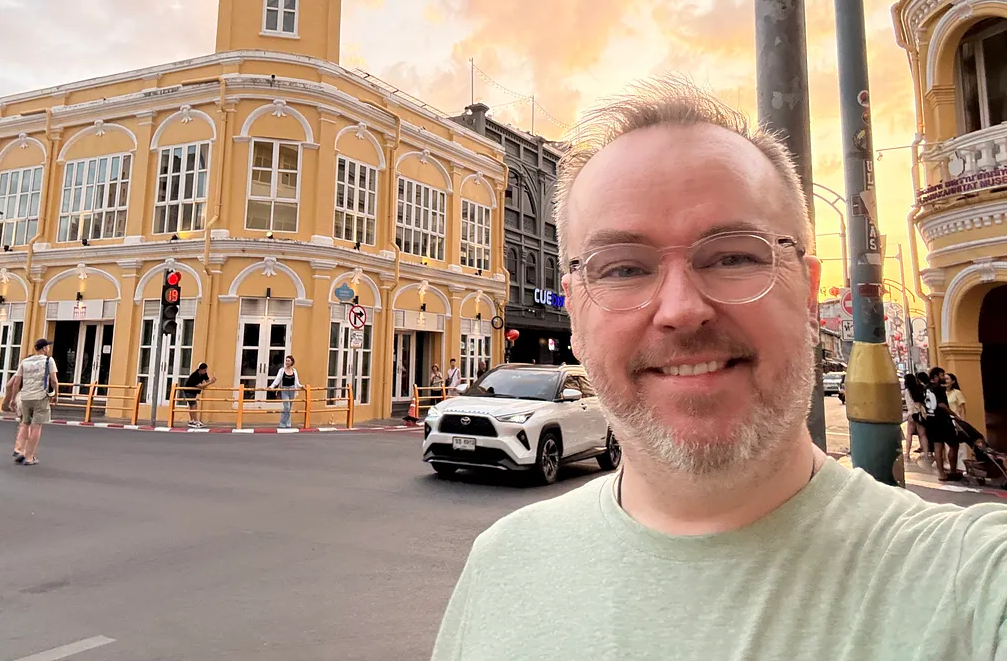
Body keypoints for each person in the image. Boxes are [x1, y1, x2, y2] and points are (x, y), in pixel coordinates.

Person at [431, 79, 1007, 661]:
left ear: (808, 295)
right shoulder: (501, 568)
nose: (682, 310)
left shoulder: (971, 584)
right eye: (623, 268)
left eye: (733, 256)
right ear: (574, 310)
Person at [8, 339, 58, 466]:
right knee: (36, 426)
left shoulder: (24, 362)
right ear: (44, 348)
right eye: (48, 347)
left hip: (25, 397)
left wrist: (13, 399)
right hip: (40, 396)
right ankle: (29, 457)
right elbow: (53, 380)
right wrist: (56, 394)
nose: (49, 349)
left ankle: (21, 450)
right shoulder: (48, 360)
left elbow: (16, 382)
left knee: (25, 423)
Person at [923, 366, 961, 482]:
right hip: (942, 420)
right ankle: (953, 471)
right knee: (954, 444)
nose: (943, 377)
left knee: (937, 446)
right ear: (935, 376)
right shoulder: (939, 388)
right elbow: (942, 405)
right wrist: (954, 414)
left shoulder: (926, 388)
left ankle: (941, 474)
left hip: (931, 419)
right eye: (941, 375)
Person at [902, 371, 930, 461]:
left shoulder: (907, 391)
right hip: (920, 414)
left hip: (911, 414)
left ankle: (907, 454)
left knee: (909, 434)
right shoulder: (920, 388)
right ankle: (926, 454)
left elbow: (908, 403)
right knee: (923, 435)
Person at [268, 356, 300, 429]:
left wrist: (301, 386)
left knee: (290, 407)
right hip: (284, 389)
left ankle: (288, 423)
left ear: (292, 362)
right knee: (287, 407)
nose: (287, 362)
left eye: (288, 361)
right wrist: (272, 386)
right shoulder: (282, 370)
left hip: (292, 390)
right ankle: (282, 424)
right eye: (286, 361)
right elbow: (277, 379)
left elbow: (297, 382)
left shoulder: (294, 371)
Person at [183, 362, 216, 429]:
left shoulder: (204, 374)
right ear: (200, 369)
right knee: (194, 405)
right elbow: (200, 386)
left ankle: (192, 421)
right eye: (204, 370)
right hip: (188, 391)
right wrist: (210, 383)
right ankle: (195, 421)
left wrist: (210, 381)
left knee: (192, 405)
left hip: (194, 392)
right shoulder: (195, 375)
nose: (205, 371)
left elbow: (207, 381)